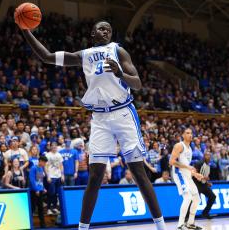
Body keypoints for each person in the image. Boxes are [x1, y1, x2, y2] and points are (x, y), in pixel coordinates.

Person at [21, 20, 166, 230]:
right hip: (99, 118)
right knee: (95, 176)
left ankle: (161, 227)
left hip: (123, 113)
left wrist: (120, 74)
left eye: (109, 28)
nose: (106, 31)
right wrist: (25, 30)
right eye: (101, 28)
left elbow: (138, 83)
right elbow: (46, 56)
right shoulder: (84, 55)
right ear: (92, 33)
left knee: (138, 173)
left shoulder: (118, 51)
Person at [170, 128, 203, 230]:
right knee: (188, 197)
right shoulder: (179, 145)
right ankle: (180, 225)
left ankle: (190, 223)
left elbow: (187, 165)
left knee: (197, 198)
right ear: (183, 135)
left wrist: (195, 174)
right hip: (179, 174)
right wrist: (188, 168)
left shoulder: (190, 148)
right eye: (187, 133)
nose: (190, 135)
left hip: (187, 175)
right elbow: (171, 161)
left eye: (191, 133)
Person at [192, 151, 217, 219]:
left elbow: (204, 176)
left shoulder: (208, 165)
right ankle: (188, 216)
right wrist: (202, 177)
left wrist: (207, 182)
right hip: (196, 184)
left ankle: (205, 213)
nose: (208, 157)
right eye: (207, 155)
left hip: (203, 184)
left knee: (212, 197)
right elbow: (193, 173)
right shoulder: (199, 163)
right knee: (195, 200)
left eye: (209, 155)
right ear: (204, 156)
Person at [45, 142, 64, 215]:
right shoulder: (47, 155)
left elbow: (61, 165)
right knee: (51, 193)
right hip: (51, 176)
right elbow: (45, 166)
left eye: (55, 146)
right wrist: (48, 176)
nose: (54, 147)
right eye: (52, 146)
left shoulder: (59, 155)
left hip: (58, 176)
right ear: (50, 147)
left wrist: (62, 175)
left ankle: (55, 208)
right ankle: (49, 208)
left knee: (56, 193)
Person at [30, 156, 48, 228]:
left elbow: (40, 180)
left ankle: (42, 224)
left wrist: (43, 188)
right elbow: (32, 180)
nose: (44, 164)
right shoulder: (33, 168)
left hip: (40, 191)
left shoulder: (41, 168)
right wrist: (36, 189)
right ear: (40, 161)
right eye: (44, 162)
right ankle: (30, 224)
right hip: (34, 192)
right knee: (32, 208)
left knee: (41, 208)